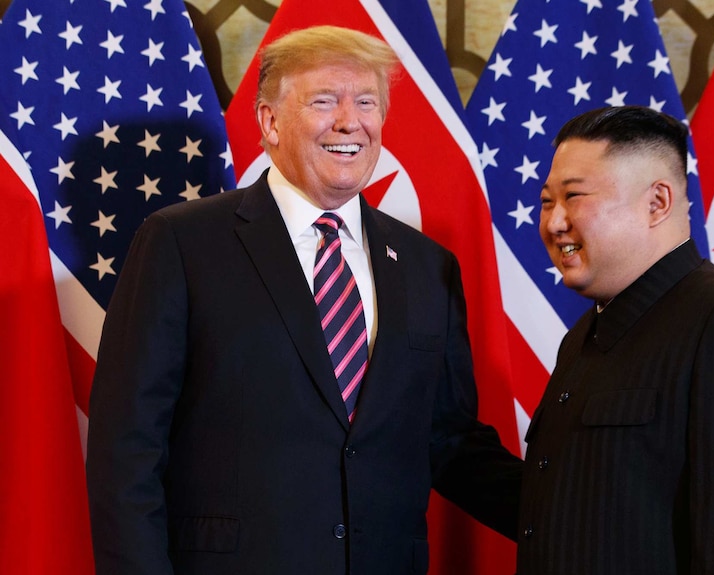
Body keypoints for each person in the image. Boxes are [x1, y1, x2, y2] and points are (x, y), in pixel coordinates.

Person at [86, 25, 522, 575]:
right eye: (324, 101)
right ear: (269, 121)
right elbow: (128, 448)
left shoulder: (426, 265)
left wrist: (574, 514)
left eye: (366, 102)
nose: (349, 121)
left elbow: (448, 438)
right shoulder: (182, 243)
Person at [517, 106, 714, 574]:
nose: (553, 223)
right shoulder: (582, 337)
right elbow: (564, 513)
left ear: (657, 202)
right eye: (548, 201)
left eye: (574, 197)